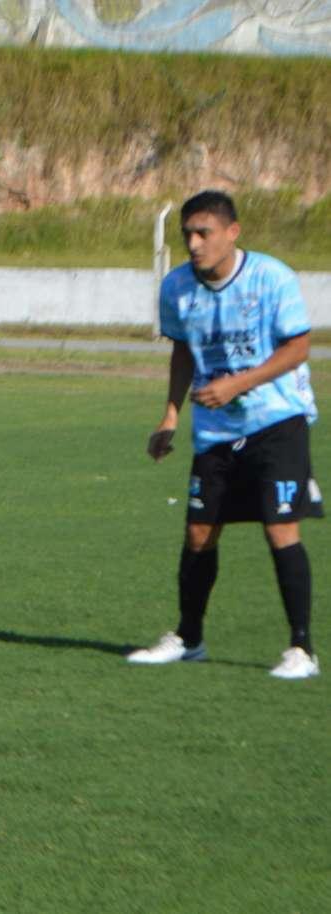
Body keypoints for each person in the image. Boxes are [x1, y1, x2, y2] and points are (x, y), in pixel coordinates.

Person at [130, 190, 322, 679]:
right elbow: (182, 352)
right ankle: (189, 638)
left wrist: (237, 383)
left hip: (277, 420)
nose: (194, 243)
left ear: (232, 233)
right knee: (199, 531)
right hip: (216, 430)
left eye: (204, 233)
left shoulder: (271, 278)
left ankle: (302, 649)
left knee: (280, 527)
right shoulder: (177, 286)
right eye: (187, 235)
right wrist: (170, 417)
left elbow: (298, 348)